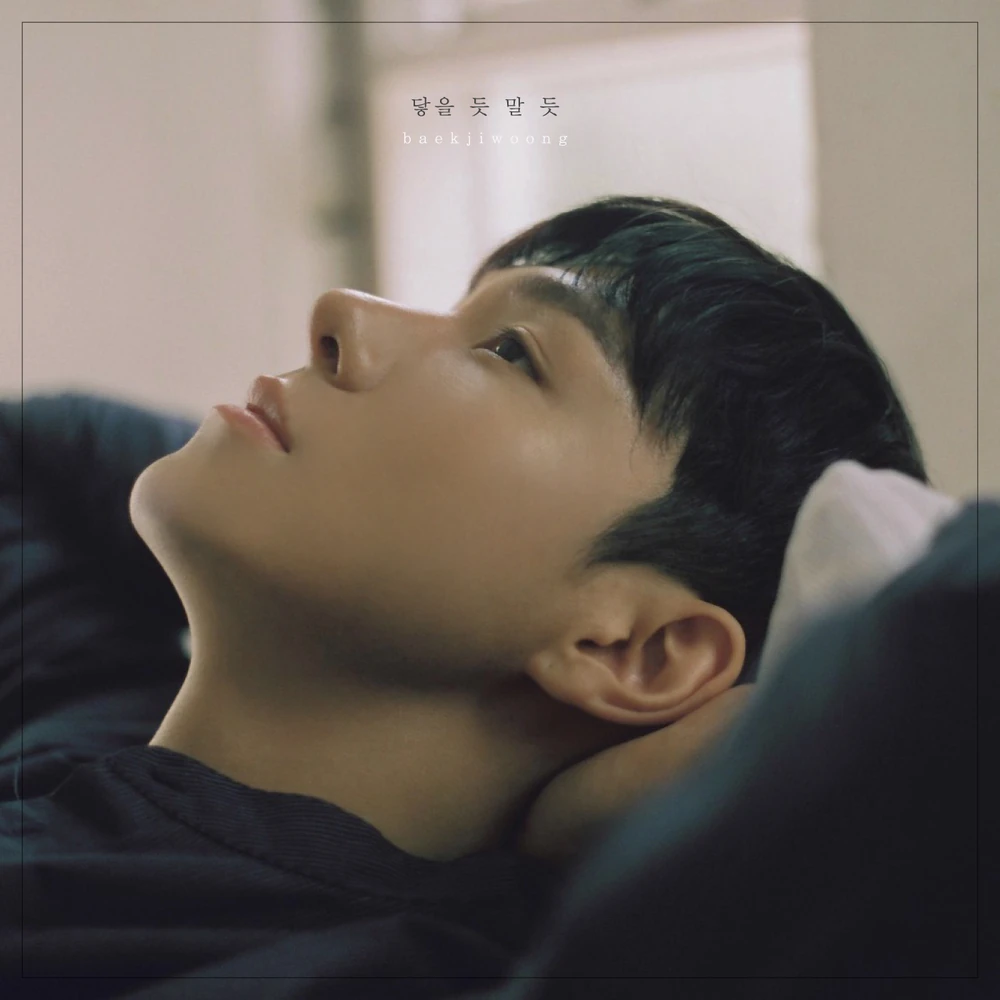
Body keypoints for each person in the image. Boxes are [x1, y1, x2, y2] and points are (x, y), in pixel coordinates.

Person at [0, 195, 950, 994]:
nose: (341, 314)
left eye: (508, 351)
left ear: (634, 650)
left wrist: (652, 804)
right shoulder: (84, 725)